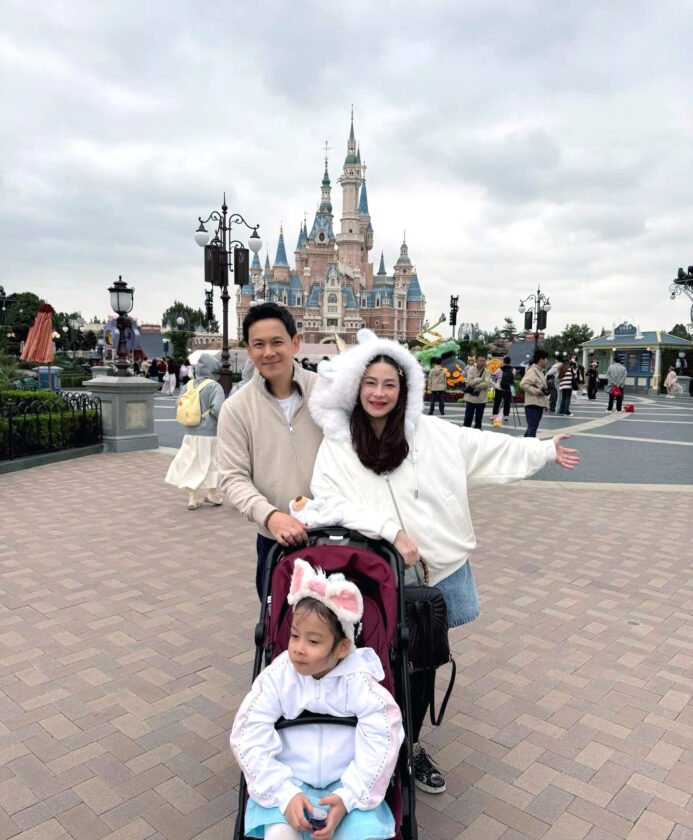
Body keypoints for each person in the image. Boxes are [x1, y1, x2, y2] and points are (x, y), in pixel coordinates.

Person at [307, 330, 579, 794]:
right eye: (370, 383)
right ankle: (371, 743)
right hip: (374, 572)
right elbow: (328, 501)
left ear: (404, 389)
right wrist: (390, 531)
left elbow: (487, 447)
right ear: (356, 386)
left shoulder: (431, 433)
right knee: (371, 660)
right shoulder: (339, 441)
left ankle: (410, 745)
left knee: (423, 661)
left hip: (437, 570)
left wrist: (543, 449)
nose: (378, 393)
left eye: (389, 384)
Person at [230, 559, 403, 840]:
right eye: (294, 635)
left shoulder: (360, 684)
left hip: (348, 783)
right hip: (289, 781)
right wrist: (283, 792)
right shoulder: (278, 678)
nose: (298, 648)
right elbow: (249, 732)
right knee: (279, 835)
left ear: (342, 648)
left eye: (313, 641)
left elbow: (382, 738)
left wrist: (349, 796)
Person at [217, 303, 323, 599]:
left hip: (332, 533)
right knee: (278, 619)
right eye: (259, 344)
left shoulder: (325, 392)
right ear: (249, 350)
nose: (269, 352)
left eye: (277, 342)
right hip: (276, 539)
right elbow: (233, 477)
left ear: (295, 343)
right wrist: (270, 516)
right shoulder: (237, 409)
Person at [165, 353, 226, 510]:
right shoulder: (214, 386)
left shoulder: (189, 385)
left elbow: (178, 405)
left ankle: (192, 498)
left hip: (190, 432)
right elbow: (218, 409)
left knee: (191, 463)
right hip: (210, 432)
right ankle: (211, 493)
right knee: (212, 462)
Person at [520, 349, 549, 437]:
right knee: (532, 428)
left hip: (538, 403)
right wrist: (537, 391)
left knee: (532, 427)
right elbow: (523, 384)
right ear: (541, 360)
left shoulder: (539, 371)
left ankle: (524, 443)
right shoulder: (532, 371)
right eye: (546, 359)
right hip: (533, 404)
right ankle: (531, 444)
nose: (547, 361)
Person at [462, 355, 491, 430]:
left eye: (483, 361)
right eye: (480, 361)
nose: (482, 362)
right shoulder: (470, 370)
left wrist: (475, 382)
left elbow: (486, 384)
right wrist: (480, 380)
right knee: (467, 419)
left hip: (481, 400)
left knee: (478, 420)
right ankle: (465, 433)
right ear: (476, 361)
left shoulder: (487, 372)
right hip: (470, 399)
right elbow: (470, 382)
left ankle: (477, 435)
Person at [491, 355, 514, 423]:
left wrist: (494, 384)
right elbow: (512, 380)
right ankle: (506, 415)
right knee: (507, 403)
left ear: (503, 361)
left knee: (497, 402)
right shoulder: (513, 370)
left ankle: (495, 415)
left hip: (499, 388)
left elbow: (494, 378)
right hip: (508, 389)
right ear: (510, 362)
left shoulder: (499, 369)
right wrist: (513, 392)